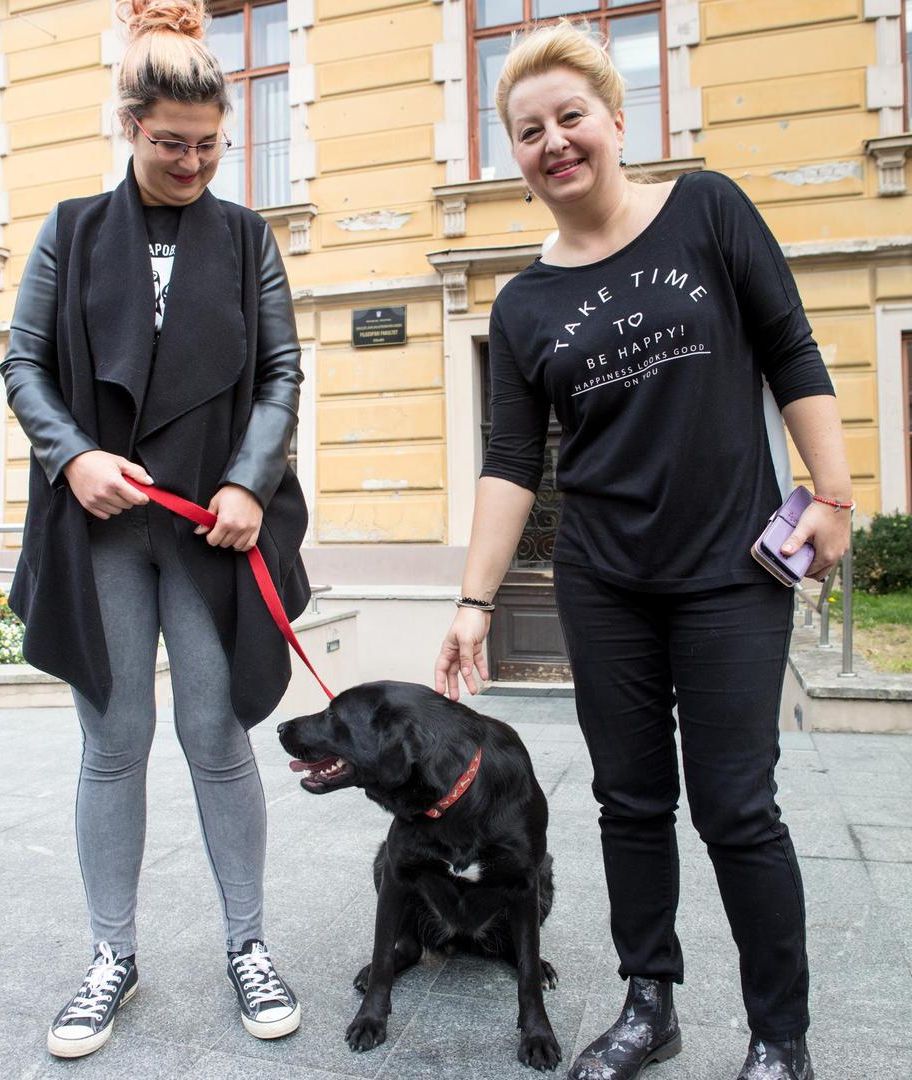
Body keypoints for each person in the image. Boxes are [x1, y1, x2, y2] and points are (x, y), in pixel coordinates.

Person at [434, 21, 852, 1080]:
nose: (554, 141)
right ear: (514, 154)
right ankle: (647, 1003)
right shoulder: (522, 304)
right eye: (529, 130)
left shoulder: (707, 210)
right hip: (604, 581)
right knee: (629, 802)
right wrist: (473, 603)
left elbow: (792, 348)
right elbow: (510, 464)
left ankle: (779, 1038)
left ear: (617, 121)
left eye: (571, 116)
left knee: (736, 807)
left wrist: (835, 497)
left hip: (729, 574)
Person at [1, 0, 310, 1059]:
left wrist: (250, 483)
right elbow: (24, 363)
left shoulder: (248, 237)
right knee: (113, 743)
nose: (192, 162)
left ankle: (248, 945)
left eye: (209, 145)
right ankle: (111, 958)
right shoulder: (70, 230)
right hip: (100, 531)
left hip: (211, 531)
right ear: (129, 126)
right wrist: (73, 456)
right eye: (171, 143)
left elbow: (281, 372)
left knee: (218, 740)